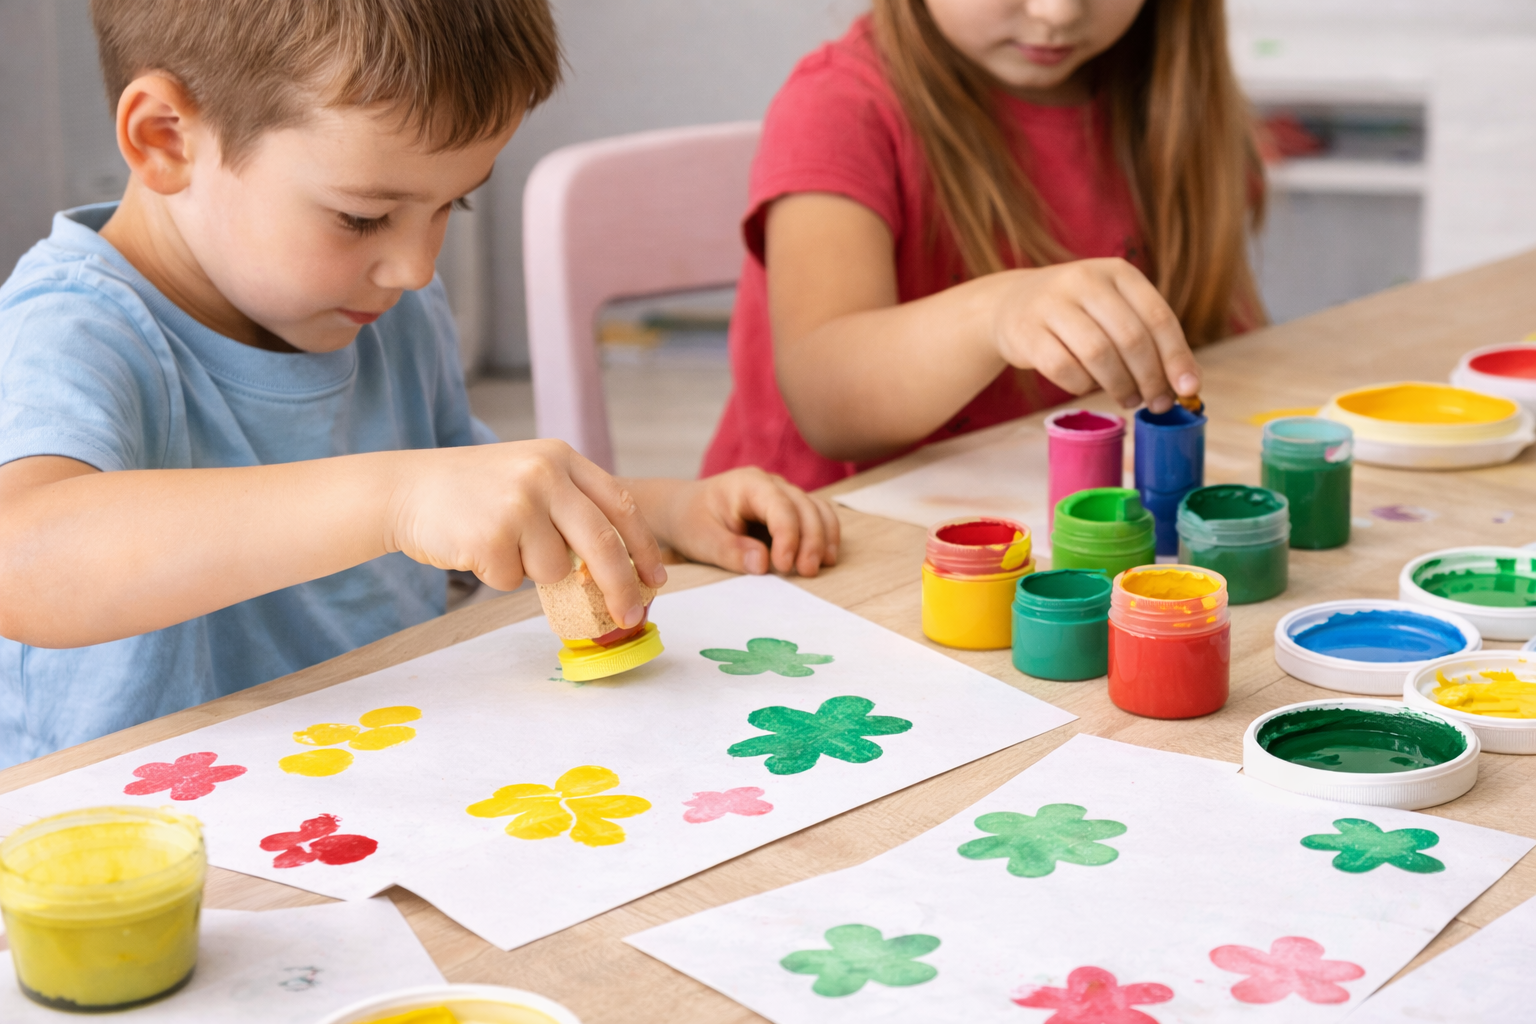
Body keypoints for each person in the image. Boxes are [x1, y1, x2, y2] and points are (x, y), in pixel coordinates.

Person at [0, 0, 838, 767]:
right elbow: (25, 556)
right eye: (362, 217)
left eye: (452, 207)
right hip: (146, 853)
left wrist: (656, 513)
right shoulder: (73, 326)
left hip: (380, 777)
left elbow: (471, 494)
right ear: (166, 139)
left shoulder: (384, 301)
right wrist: (397, 498)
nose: (416, 263)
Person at [702, 0, 1265, 491]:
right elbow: (825, 401)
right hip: (811, 554)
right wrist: (998, 313)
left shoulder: (1175, 98)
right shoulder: (839, 105)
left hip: (1050, 533)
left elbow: (1228, 354)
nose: (1058, 11)